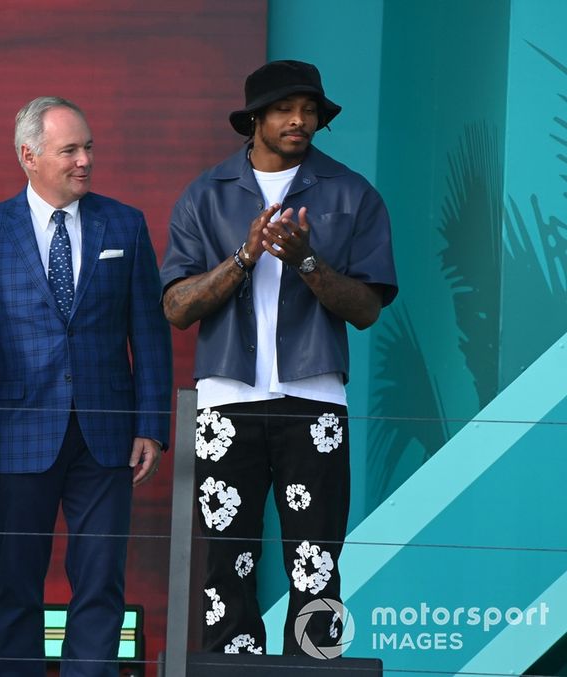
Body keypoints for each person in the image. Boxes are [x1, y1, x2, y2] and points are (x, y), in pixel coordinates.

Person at [160, 60, 398, 656]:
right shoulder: (205, 194)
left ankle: (313, 665)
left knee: (316, 560)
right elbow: (177, 307)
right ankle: (228, 664)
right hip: (226, 402)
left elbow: (367, 309)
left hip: (314, 399)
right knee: (226, 558)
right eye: (285, 109)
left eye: (310, 109)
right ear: (255, 119)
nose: (300, 120)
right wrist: (244, 258)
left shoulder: (351, 193)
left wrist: (306, 262)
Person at [0, 96, 172, 676]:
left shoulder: (124, 223)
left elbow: (148, 333)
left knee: (101, 581)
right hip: (17, 435)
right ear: (29, 156)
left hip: (108, 435)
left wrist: (152, 424)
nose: (85, 161)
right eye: (69, 149)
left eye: (88, 147)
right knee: (16, 582)